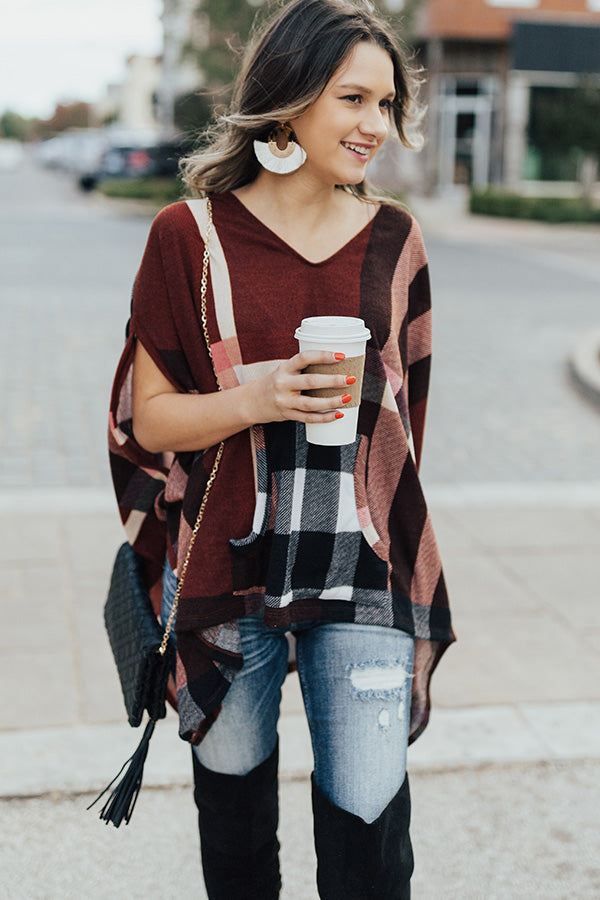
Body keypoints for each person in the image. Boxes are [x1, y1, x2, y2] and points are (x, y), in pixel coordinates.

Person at [108, 1, 455, 896]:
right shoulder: (188, 237)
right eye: (353, 99)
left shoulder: (397, 239)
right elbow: (150, 422)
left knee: (371, 830)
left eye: (387, 104)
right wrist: (258, 398)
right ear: (291, 98)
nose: (376, 125)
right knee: (234, 829)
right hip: (227, 568)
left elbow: (407, 426)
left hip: (362, 569)